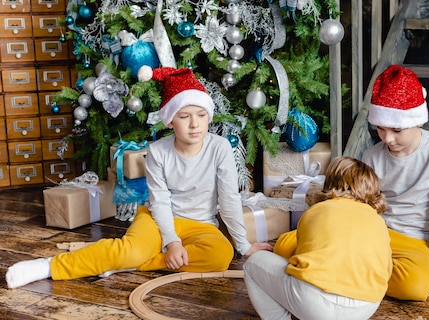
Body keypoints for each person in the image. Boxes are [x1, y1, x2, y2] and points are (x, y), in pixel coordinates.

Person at [5, 67, 271, 289]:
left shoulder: (220, 147)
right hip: (157, 219)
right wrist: (172, 242)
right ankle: (50, 266)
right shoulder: (158, 152)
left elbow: (229, 199)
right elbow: (161, 201)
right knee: (132, 247)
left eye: (202, 115)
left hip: (202, 225)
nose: (195, 124)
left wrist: (243, 245)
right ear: (170, 121)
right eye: (184, 116)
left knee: (220, 256)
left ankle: (122, 263)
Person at [243, 156, 392, 320]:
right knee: (356, 273)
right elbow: (385, 270)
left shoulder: (315, 211)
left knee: (252, 264)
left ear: (329, 183)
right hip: (364, 308)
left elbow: (302, 258)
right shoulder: (379, 222)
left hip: (313, 304)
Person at [361, 64, 429, 300]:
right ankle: (364, 270)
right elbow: (366, 209)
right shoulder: (372, 155)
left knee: (415, 288)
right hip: (378, 234)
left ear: (418, 121)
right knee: (289, 244)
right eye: (380, 128)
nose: (388, 139)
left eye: (397, 129)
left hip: (416, 243)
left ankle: (357, 273)